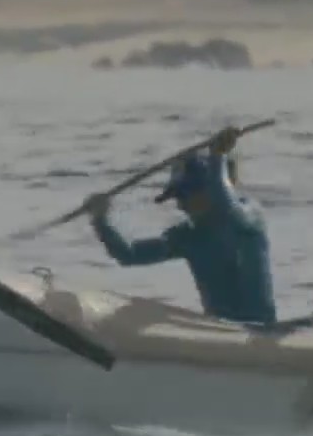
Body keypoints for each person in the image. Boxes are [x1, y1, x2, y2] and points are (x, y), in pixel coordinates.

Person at [83, 126, 277, 327]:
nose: (180, 205)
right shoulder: (188, 236)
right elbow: (128, 255)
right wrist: (100, 220)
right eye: (177, 197)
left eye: (185, 195)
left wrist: (218, 157)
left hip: (260, 329)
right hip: (219, 329)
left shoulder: (249, 218)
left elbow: (225, 205)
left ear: (206, 188)